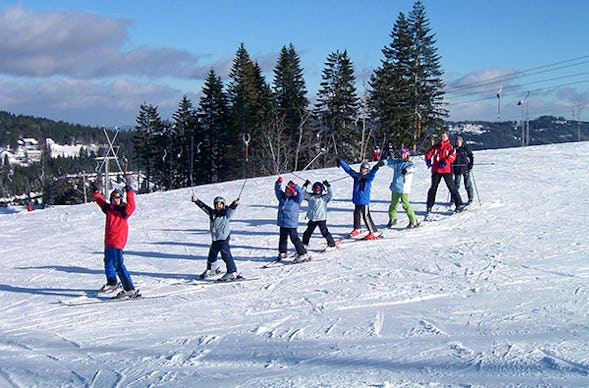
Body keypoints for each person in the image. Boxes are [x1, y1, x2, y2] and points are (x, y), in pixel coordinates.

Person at [91, 179, 138, 299]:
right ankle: (112, 282)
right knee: (108, 262)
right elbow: (101, 201)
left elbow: (132, 206)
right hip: (109, 241)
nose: (115, 200)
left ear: (121, 199)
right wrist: (96, 192)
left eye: (118, 198)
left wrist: (130, 192)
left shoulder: (124, 211)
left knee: (118, 265)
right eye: (113, 198)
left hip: (117, 242)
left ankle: (129, 288)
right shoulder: (109, 209)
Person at [191, 195, 240, 281]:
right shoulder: (212, 214)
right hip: (215, 239)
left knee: (225, 255)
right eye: (217, 204)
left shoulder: (226, 214)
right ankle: (211, 269)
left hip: (223, 238)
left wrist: (235, 203)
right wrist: (196, 201)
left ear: (223, 205)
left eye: (221, 204)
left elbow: (232, 209)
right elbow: (204, 207)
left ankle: (232, 271)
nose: (219, 206)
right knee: (212, 254)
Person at [338, 159, 382, 239]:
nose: (363, 170)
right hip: (357, 199)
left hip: (364, 201)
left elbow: (372, 173)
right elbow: (348, 169)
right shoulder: (356, 176)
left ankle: (373, 232)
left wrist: (376, 167)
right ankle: (357, 228)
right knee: (356, 213)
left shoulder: (368, 178)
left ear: (368, 170)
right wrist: (341, 161)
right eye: (362, 168)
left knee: (366, 216)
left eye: (365, 169)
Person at [424, 131, 465, 213]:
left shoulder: (450, 147)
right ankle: (429, 205)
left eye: (444, 137)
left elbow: (452, 156)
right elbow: (429, 154)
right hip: (436, 170)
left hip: (446, 170)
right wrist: (428, 160)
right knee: (433, 188)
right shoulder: (436, 147)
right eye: (441, 136)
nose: (442, 138)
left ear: (447, 137)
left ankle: (459, 204)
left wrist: (445, 162)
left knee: (451, 187)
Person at [275, 177, 309, 263]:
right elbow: (277, 191)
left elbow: (301, 193)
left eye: (289, 192)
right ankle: (282, 252)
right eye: (286, 191)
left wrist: (295, 186)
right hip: (282, 222)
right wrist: (278, 183)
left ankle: (302, 253)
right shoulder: (282, 198)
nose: (287, 193)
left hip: (291, 223)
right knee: (282, 238)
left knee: (294, 238)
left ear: (293, 193)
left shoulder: (296, 200)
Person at [383, 148, 419, 228]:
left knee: (405, 205)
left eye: (404, 154)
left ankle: (413, 220)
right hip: (395, 187)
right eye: (402, 153)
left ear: (407, 155)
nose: (403, 155)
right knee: (393, 204)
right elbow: (389, 162)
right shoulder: (397, 163)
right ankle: (392, 219)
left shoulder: (409, 164)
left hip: (404, 188)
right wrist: (382, 162)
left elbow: (413, 168)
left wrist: (406, 170)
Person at [302, 180, 337, 252]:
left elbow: (331, 195)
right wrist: (305, 185)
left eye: (318, 189)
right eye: (315, 189)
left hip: (321, 218)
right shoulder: (310, 197)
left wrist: (328, 186)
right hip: (312, 218)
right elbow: (303, 193)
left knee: (324, 232)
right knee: (307, 232)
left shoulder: (324, 198)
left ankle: (332, 244)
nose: (316, 191)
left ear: (321, 190)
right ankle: (304, 244)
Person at [452, 136, 474, 205]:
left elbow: (471, 156)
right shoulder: (453, 149)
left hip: (466, 169)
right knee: (456, 185)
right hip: (457, 169)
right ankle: (453, 199)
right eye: (456, 142)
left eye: (459, 141)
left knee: (468, 184)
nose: (457, 143)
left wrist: (471, 164)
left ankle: (470, 198)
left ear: (461, 142)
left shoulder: (465, 148)